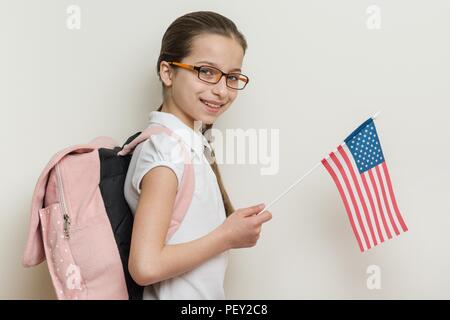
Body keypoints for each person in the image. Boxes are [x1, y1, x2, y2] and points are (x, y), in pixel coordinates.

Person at [124, 10, 272, 300]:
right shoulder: (166, 152)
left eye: (232, 77)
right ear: (168, 72)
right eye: (206, 71)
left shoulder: (186, 145)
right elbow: (145, 265)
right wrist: (227, 236)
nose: (221, 90)